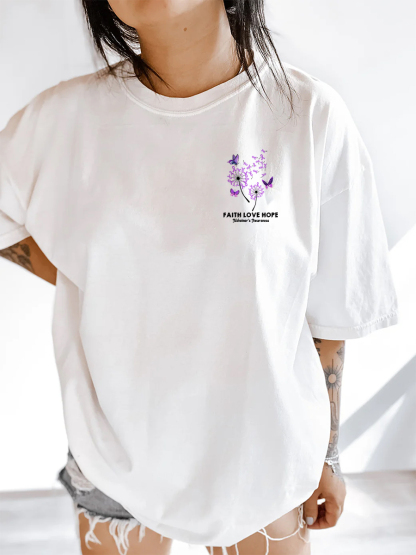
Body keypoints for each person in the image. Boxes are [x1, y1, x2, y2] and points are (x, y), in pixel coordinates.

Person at [0, 1, 399, 554]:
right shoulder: (64, 119)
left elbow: (330, 314)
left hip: (262, 459)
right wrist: (93, 278)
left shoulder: (307, 115)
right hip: (115, 454)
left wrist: (327, 454)